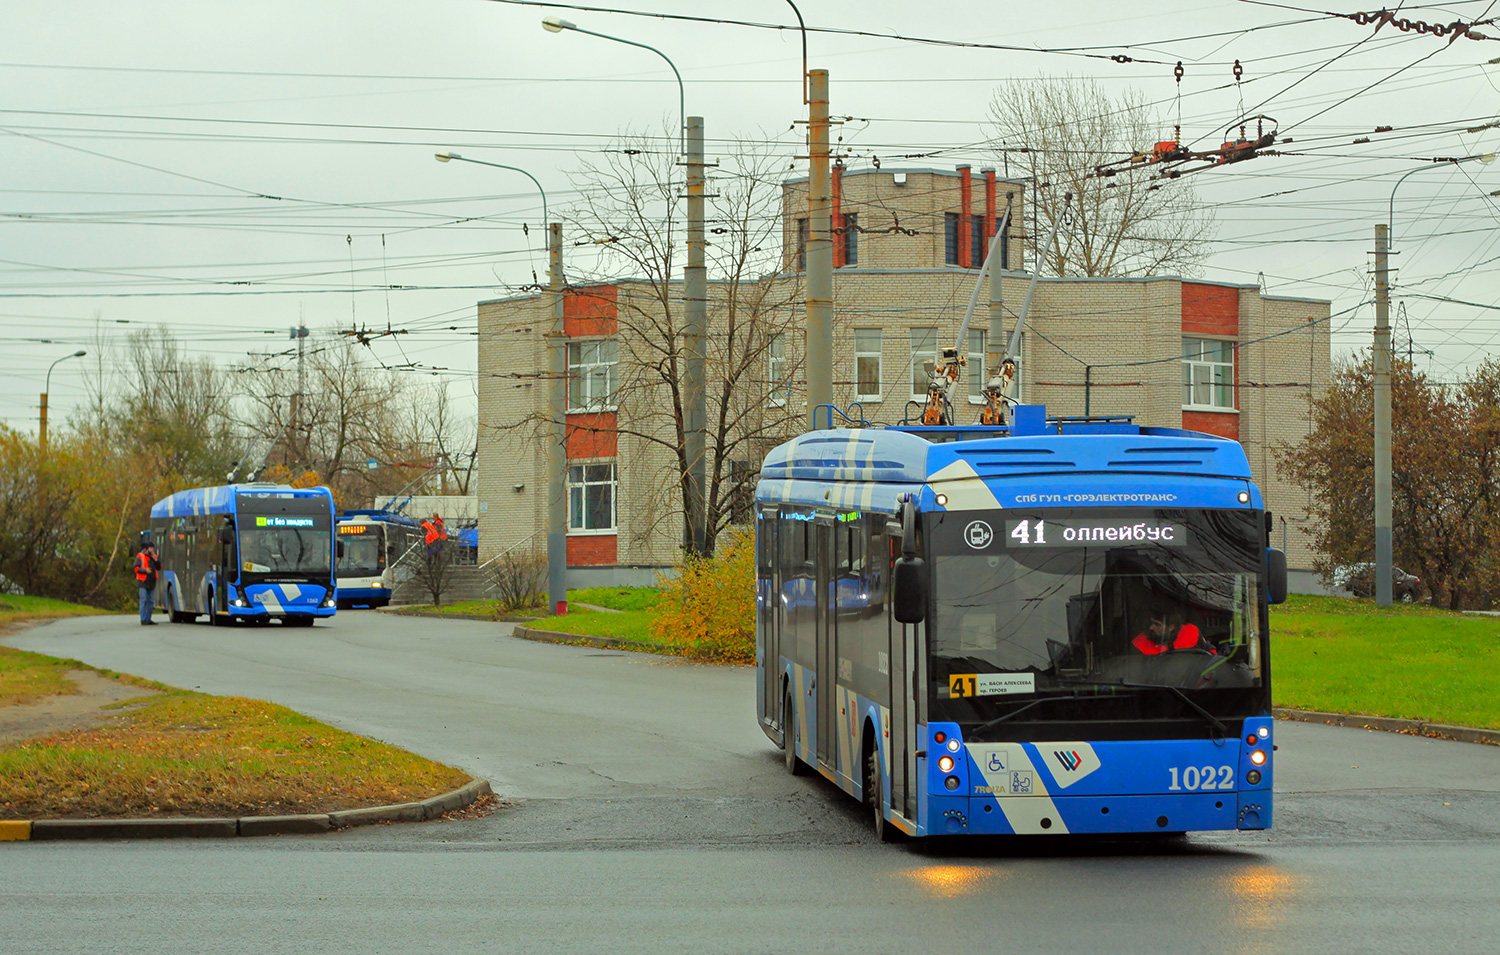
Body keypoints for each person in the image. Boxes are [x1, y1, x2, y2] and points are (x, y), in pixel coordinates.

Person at [1132, 612, 1213, 656]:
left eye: (1157, 625)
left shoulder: (1191, 632)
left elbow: (1210, 652)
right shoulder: (1139, 644)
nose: (1151, 628)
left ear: (1171, 627)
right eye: (1151, 623)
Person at [134, 542, 161, 626]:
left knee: (151, 601)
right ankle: (143, 619)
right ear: (146, 549)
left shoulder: (154, 556)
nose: (152, 550)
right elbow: (135, 568)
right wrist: (145, 570)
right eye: (151, 548)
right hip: (143, 581)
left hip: (152, 582)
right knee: (144, 600)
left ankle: (148, 618)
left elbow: (159, 567)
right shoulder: (140, 556)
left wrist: (156, 560)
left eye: (153, 548)